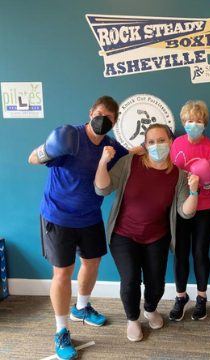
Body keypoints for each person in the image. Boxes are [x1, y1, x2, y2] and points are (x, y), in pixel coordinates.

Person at [28, 95, 143, 360]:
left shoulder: (111, 147)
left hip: (90, 217)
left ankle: (81, 307)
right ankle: (61, 330)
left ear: (114, 124)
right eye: (100, 114)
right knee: (63, 272)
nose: (103, 120)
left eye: (110, 119)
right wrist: (49, 149)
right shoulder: (70, 138)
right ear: (91, 113)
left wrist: (152, 143)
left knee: (92, 264)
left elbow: (132, 156)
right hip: (58, 216)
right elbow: (33, 159)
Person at [94, 123, 200, 342]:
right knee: (130, 279)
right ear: (145, 144)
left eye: (161, 140)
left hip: (157, 236)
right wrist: (103, 162)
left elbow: (186, 213)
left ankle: (150, 309)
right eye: (151, 142)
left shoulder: (179, 175)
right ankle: (132, 318)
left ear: (170, 142)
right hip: (123, 234)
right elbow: (102, 188)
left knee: (156, 282)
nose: (156, 145)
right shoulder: (129, 163)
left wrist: (194, 191)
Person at [168, 101, 210, 322]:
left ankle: (201, 297)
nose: (194, 124)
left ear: (205, 123)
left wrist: (205, 183)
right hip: (180, 206)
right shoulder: (176, 143)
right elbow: (168, 174)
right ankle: (180, 297)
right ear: (183, 122)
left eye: (198, 121)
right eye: (190, 121)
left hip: (206, 207)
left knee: (200, 253)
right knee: (180, 252)